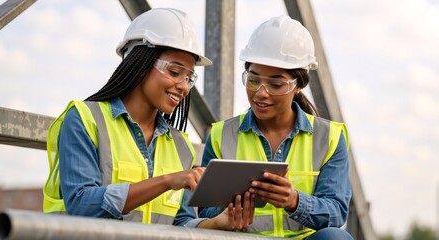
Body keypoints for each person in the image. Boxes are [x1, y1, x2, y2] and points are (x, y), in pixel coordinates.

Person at [43, 8, 252, 229]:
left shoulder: (180, 145)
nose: (183, 86)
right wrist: (167, 181)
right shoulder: (85, 120)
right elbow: (81, 204)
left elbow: (181, 222)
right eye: (174, 72)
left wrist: (218, 223)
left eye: (189, 78)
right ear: (139, 64)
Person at [197, 15, 354, 239]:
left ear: (298, 85)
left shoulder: (328, 138)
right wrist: (230, 213)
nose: (261, 92)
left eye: (276, 84)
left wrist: (295, 201)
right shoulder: (222, 136)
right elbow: (207, 210)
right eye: (253, 80)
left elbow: (336, 212)